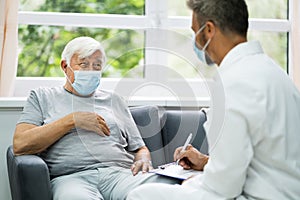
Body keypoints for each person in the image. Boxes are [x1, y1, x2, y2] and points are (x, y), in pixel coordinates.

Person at [126, 0, 300, 199]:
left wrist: (198, 183)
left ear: (208, 30)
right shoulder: (274, 73)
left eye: (195, 31)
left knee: (140, 195)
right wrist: (205, 164)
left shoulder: (232, 83)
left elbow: (223, 188)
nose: (195, 40)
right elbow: (259, 160)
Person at [13, 36, 179, 200]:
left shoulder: (114, 100)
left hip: (120, 175)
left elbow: (139, 148)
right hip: (71, 179)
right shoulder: (42, 97)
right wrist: (72, 120)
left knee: (165, 188)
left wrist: (143, 159)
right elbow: (20, 145)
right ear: (65, 66)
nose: (91, 71)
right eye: (84, 64)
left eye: (97, 65)